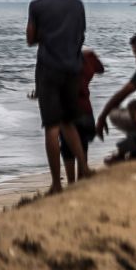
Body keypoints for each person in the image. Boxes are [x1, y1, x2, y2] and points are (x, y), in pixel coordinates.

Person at [26, 0, 95, 193]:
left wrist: (45, 35)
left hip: (48, 69)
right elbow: (81, 35)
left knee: (52, 127)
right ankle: (84, 167)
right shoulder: (77, 5)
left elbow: (30, 39)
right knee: (68, 121)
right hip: (72, 68)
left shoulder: (37, 6)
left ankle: (56, 183)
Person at [60, 48, 104, 183]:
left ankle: (71, 182)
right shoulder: (88, 57)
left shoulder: (60, 60)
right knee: (82, 144)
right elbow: (100, 69)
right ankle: (81, 179)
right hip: (86, 110)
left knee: (67, 147)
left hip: (68, 110)